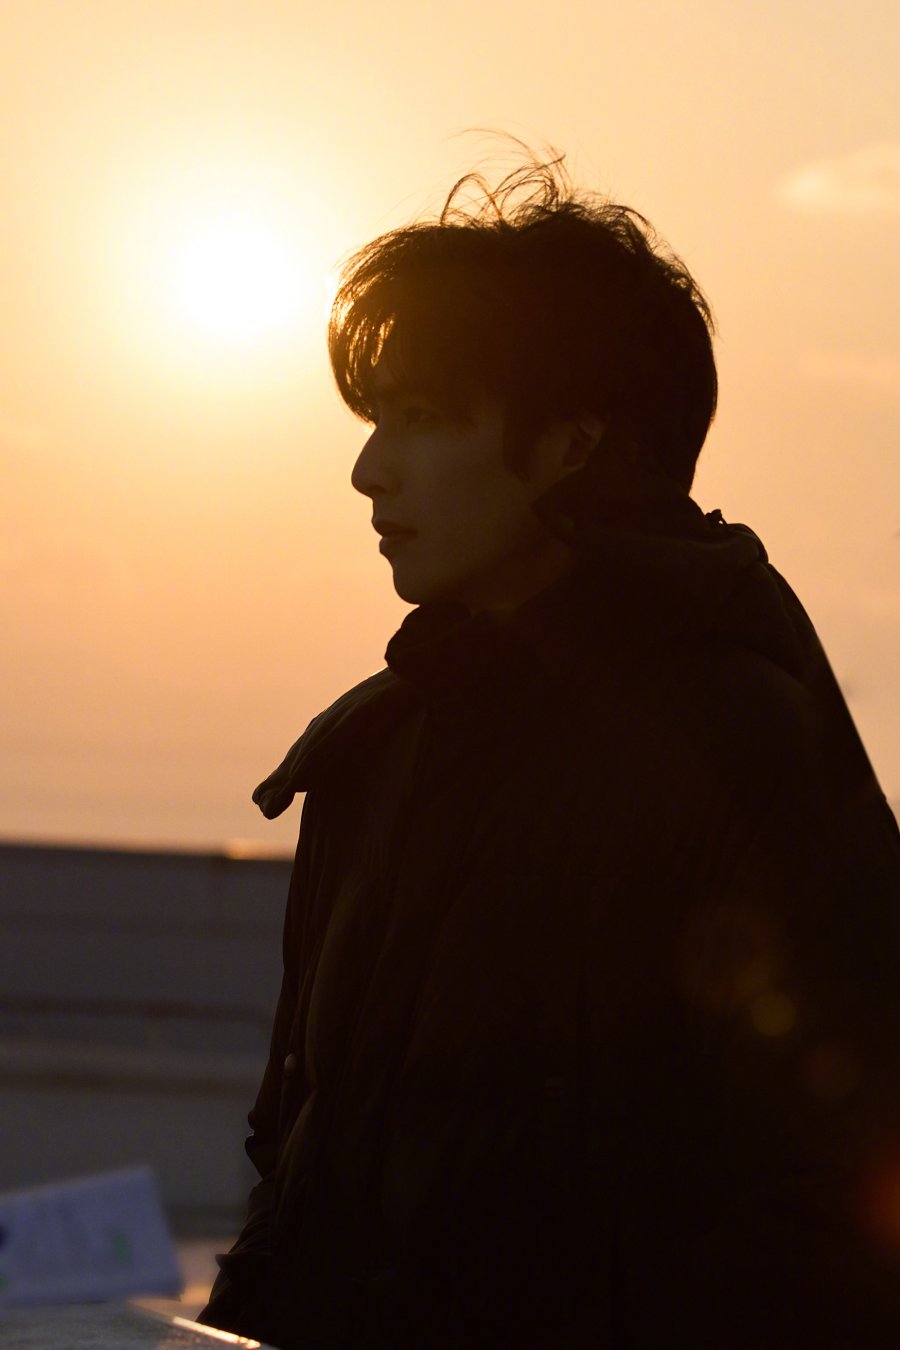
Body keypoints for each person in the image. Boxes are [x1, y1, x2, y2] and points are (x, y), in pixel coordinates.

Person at [198, 152, 900, 1348]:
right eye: (377, 422)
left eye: (425, 419)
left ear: (574, 445)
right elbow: (292, 1160)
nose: (370, 471)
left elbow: (838, 1209)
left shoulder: (740, 749)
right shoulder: (373, 754)